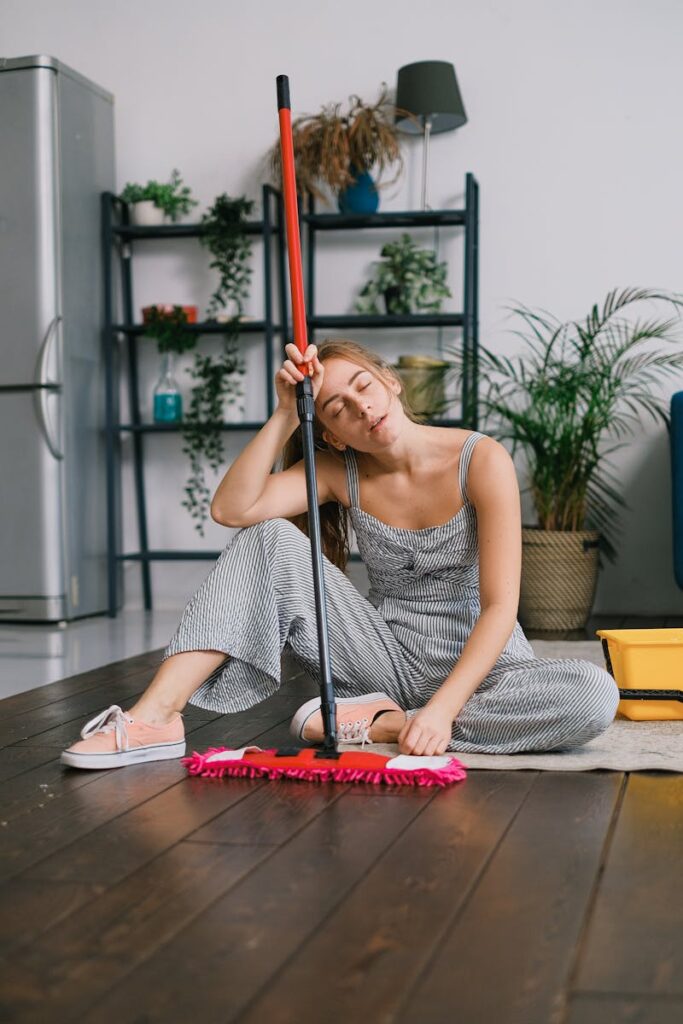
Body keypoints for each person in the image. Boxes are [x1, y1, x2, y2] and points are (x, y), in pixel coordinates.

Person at [61, 338, 619, 769]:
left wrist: (446, 709)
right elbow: (233, 510)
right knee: (271, 537)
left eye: (363, 386)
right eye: (337, 408)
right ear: (331, 435)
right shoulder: (337, 472)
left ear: (391, 382)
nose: (360, 407)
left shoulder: (481, 459)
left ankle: (378, 725)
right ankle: (155, 717)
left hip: (490, 675)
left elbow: (501, 606)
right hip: (386, 659)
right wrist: (284, 412)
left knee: (594, 694)